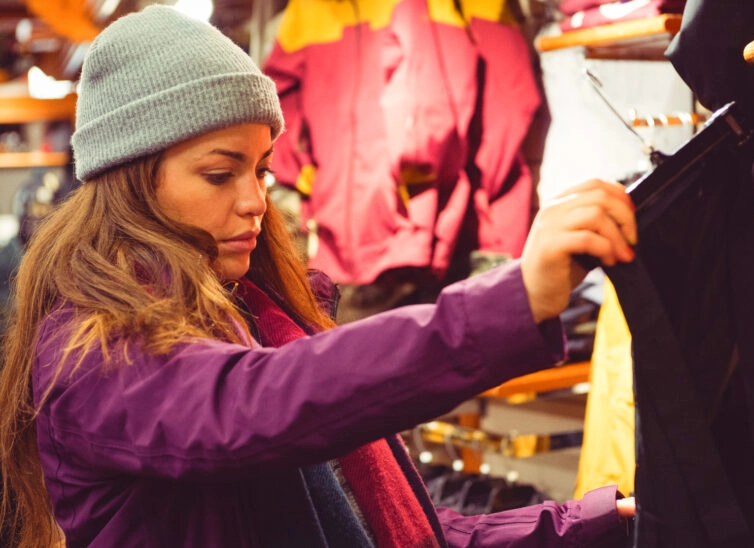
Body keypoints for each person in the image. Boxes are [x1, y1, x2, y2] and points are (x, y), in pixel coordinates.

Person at [0, 5, 637, 547]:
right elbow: (253, 404)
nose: (255, 201)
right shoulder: (91, 349)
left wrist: (590, 524)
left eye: (262, 170)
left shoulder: (263, 317)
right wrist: (512, 301)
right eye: (221, 174)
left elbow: (401, 530)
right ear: (133, 182)